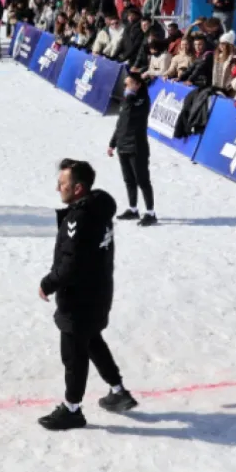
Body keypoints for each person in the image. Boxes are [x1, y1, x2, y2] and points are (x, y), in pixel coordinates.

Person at [37, 159, 137, 431]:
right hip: (98, 293)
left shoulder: (80, 219)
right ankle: (118, 391)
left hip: (79, 299)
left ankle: (72, 410)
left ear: (78, 188)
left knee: (73, 354)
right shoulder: (97, 209)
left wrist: (48, 283)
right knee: (92, 340)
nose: (58, 188)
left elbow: (71, 262)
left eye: (63, 184)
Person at [108, 74, 156, 225]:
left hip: (137, 146)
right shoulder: (126, 100)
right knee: (129, 180)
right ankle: (133, 209)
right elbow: (120, 123)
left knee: (142, 180)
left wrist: (129, 97)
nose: (125, 87)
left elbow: (131, 111)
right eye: (124, 84)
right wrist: (112, 143)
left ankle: (150, 213)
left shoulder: (142, 101)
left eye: (128, 84)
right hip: (122, 145)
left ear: (137, 85)